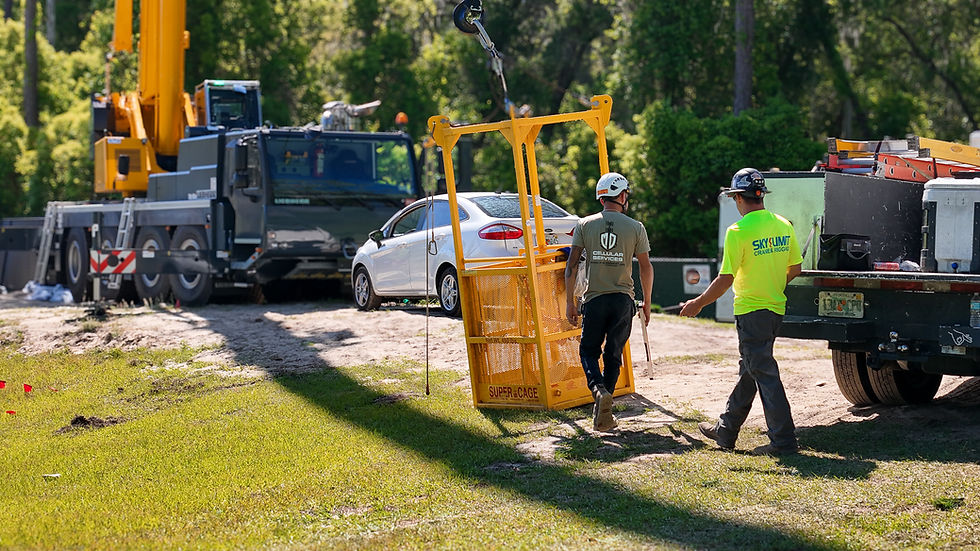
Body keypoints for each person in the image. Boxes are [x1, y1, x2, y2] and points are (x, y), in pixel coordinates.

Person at [679, 167, 803, 456]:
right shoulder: (784, 224)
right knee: (752, 368)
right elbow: (795, 268)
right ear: (761, 196)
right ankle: (726, 429)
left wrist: (697, 303)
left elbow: (725, 279)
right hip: (774, 309)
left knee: (763, 371)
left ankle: (783, 442)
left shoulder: (738, 231)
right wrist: (772, 282)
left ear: (737, 198)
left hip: (751, 312)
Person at [565, 172, 653, 432]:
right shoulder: (636, 227)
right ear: (622, 195)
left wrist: (570, 302)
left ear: (601, 197)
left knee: (588, 351)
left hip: (595, 299)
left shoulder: (584, 224)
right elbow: (646, 267)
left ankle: (599, 391)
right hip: (623, 300)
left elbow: (571, 266)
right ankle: (605, 410)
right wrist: (647, 302)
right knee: (613, 354)